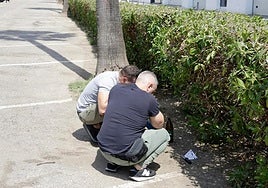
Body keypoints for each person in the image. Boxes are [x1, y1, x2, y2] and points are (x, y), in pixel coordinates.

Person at [97, 71, 170, 182]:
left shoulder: (116, 88)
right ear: (149, 86)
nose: (152, 94)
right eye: (152, 91)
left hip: (104, 150)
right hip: (124, 156)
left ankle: (113, 164)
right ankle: (138, 169)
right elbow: (158, 124)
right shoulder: (149, 99)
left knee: (123, 127)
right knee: (164, 134)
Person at [76, 65, 141, 143]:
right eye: (132, 84)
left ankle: (99, 125)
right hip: (86, 112)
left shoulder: (117, 79)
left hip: (93, 107)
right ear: (124, 79)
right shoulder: (108, 81)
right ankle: (94, 124)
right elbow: (102, 110)